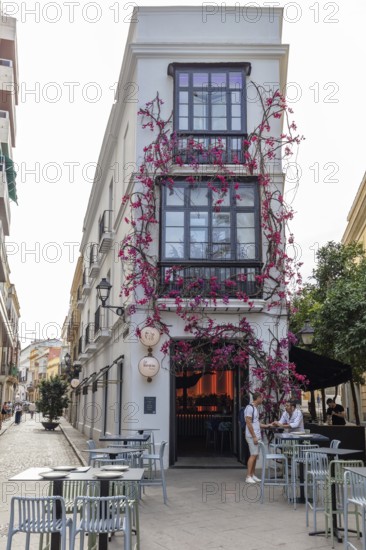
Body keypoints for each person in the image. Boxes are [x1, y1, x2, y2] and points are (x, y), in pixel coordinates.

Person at [244, 391, 269, 484]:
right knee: (253, 455)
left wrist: (266, 426)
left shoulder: (255, 408)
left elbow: (256, 423)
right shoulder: (249, 408)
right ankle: (248, 476)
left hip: (256, 436)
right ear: (257, 398)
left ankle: (253, 474)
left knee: (255, 455)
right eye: (261, 398)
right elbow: (248, 422)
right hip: (252, 436)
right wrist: (254, 436)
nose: (262, 399)